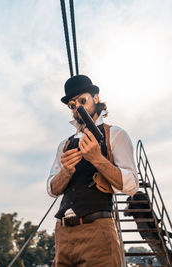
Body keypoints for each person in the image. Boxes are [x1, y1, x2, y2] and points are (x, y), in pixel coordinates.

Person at [47, 74, 139, 266]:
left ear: (96, 98)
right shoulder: (64, 145)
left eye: (82, 100)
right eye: (72, 105)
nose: (77, 108)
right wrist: (66, 171)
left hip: (97, 232)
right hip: (63, 235)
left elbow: (131, 185)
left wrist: (97, 159)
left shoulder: (115, 134)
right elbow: (52, 189)